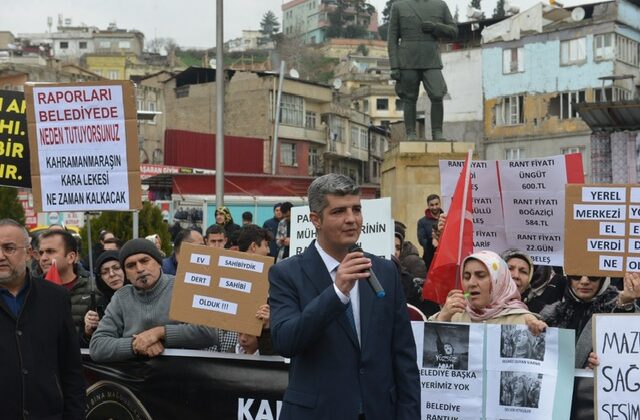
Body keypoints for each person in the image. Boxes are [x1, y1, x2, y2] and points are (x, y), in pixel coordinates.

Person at [269, 174, 420, 419]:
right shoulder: (286, 273)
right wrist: (337, 292)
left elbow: (404, 357)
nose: (351, 219)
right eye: (339, 211)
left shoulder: (384, 271)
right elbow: (286, 341)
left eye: (356, 209)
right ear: (315, 219)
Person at [0, 219, 85, 419]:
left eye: (9, 248)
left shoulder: (56, 297)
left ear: (30, 252)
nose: (0, 256)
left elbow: (71, 367)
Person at [89, 238, 219, 362]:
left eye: (145, 261)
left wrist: (160, 333)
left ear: (158, 262)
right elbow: (97, 347)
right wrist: (137, 344)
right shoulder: (121, 297)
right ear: (126, 273)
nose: (139, 269)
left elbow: (209, 332)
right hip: (135, 379)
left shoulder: (182, 287)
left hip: (183, 376)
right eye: (131, 265)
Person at [540, 272, 639, 418]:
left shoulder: (618, 308)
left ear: (603, 279)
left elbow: (628, 346)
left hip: (596, 407)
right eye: (576, 276)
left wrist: (609, 362)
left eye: (593, 277)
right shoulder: (552, 313)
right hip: (557, 405)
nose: (584, 281)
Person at [387, 0, 458, 140]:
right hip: (407, 59)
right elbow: (392, 39)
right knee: (409, 97)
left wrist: (436, 27)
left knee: (437, 94)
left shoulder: (440, 5)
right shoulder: (399, 6)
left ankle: (437, 132)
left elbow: (454, 32)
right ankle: (411, 133)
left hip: (431, 57)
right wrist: (394, 65)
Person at [431, 250, 547, 334]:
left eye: (480, 276)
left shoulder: (521, 320)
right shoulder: (455, 314)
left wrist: (537, 329)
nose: (471, 283)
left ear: (498, 281)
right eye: (466, 277)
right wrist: (442, 319)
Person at [38, 229, 97, 334]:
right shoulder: (31, 290)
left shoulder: (94, 289)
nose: (43, 258)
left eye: (50, 251)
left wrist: (87, 332)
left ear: (71, 257)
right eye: (41, 253)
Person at [81, 250, 128, 346]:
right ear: (100, 277)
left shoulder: (142, 295)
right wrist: (87, 332)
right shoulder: (97, 305)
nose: (111, 274)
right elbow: (82, 344)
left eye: (117, 268)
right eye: (104, 272)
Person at [417, 194, 443, 271]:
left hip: (445, 256)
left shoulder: (446, 218)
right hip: (429, 259)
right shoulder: (422, 222)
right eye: (431, 205)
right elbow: (421, 240)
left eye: (436, 204)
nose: (434, 207)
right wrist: (432, 243)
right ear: (428, 206)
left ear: (440, 204)